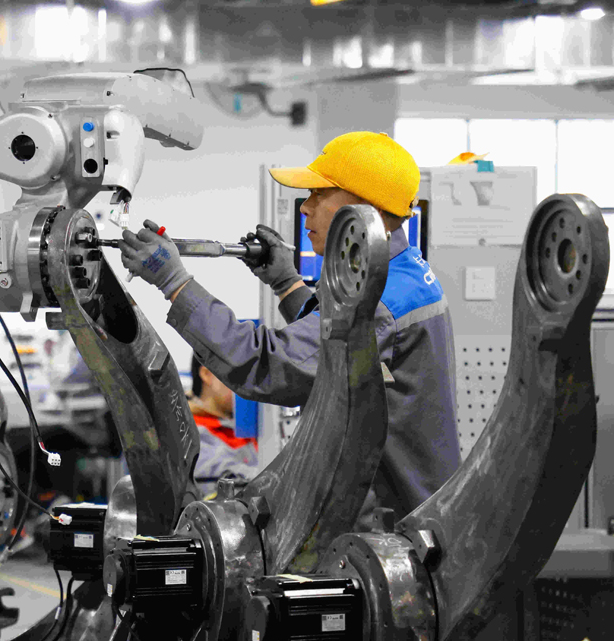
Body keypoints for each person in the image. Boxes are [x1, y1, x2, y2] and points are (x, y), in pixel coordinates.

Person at [118, 131, 460, 522]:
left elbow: (268, 364)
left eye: (318, 194)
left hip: (393, 527)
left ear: (366, 208)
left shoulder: (383, 300)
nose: (305, 208)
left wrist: (174, 283)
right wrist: (287, 284)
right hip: (401, 514)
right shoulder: (402, 274)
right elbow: (339, 348)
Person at [188, 355, 258, 497]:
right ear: (207, 374)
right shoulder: (189, 433)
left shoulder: (245, 428)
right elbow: (222, 473)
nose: (250, 385)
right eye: (240, 373)